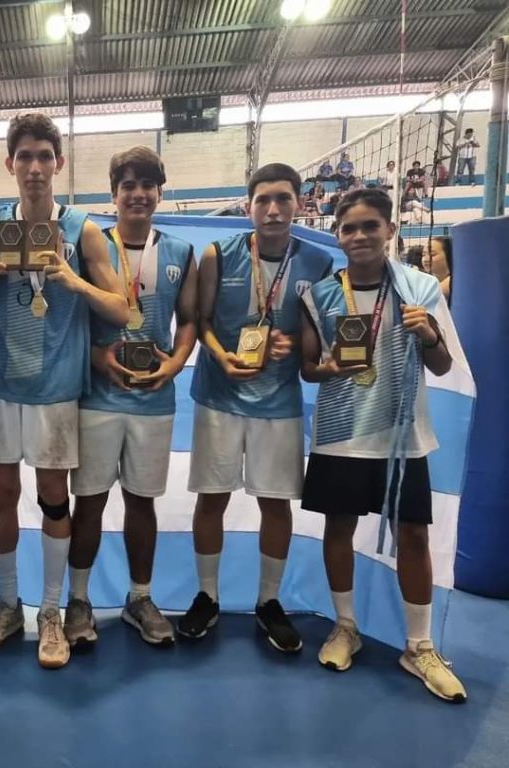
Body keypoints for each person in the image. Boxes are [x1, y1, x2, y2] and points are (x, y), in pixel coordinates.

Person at [0, 113, 129, 669]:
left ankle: (51, 611)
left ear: (58, 163)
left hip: (58, 385)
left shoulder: (83, 227)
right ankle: (9, 601)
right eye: (24, 157)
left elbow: (120, 308)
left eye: (44, 157)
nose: (34, 167)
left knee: (52, 498)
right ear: (10, 164)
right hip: (3, 380)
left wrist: (70, 277)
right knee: (2, 495)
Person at [300, 187, 466, 702]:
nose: (360, 236)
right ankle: (344, 625)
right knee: (339, 530)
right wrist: (329, 366)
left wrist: (430, 336)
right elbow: (309, 369)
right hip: (341, 436)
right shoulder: (320, 294)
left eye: (371, 226)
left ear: (390, 230)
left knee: (413, 535)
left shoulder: (419, 288)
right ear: (338, 236)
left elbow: (442, 366)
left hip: (402, 436)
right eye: (350, 228)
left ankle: (419, 645)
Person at [177, 163, 333, 653]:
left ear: (299, 203)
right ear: (248, 205)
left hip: (279, 402)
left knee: (276, 503)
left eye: (283, 199)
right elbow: (199, 321)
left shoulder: (316, 264)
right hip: (220, 396)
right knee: (212, 499)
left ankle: (269, 601)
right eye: (263, 199)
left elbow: (315, 338)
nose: (273, 209)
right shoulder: (217, 255)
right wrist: (220, 354)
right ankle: (208, 594)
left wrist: (295, 345)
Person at [65, 146, 198, 648]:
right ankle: (78, 600)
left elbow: (188, 320)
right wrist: (99, 358)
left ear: (160, 193)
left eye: (148, 185)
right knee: (91, 501)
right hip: (99, 396)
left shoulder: (180, 252)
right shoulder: (89, 246)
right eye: (128, 186)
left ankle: (140, 597)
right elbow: (73, 318)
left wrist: (176, 362)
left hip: (153, 397)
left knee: (143, 503)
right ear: (113, 194)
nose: (138, 194)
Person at [422, 235, 453, 305]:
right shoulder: (425, 280)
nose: (426, 259)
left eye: (432, 254)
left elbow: (426, 298)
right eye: (423, 254)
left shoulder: (454, 281)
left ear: (449, 255)